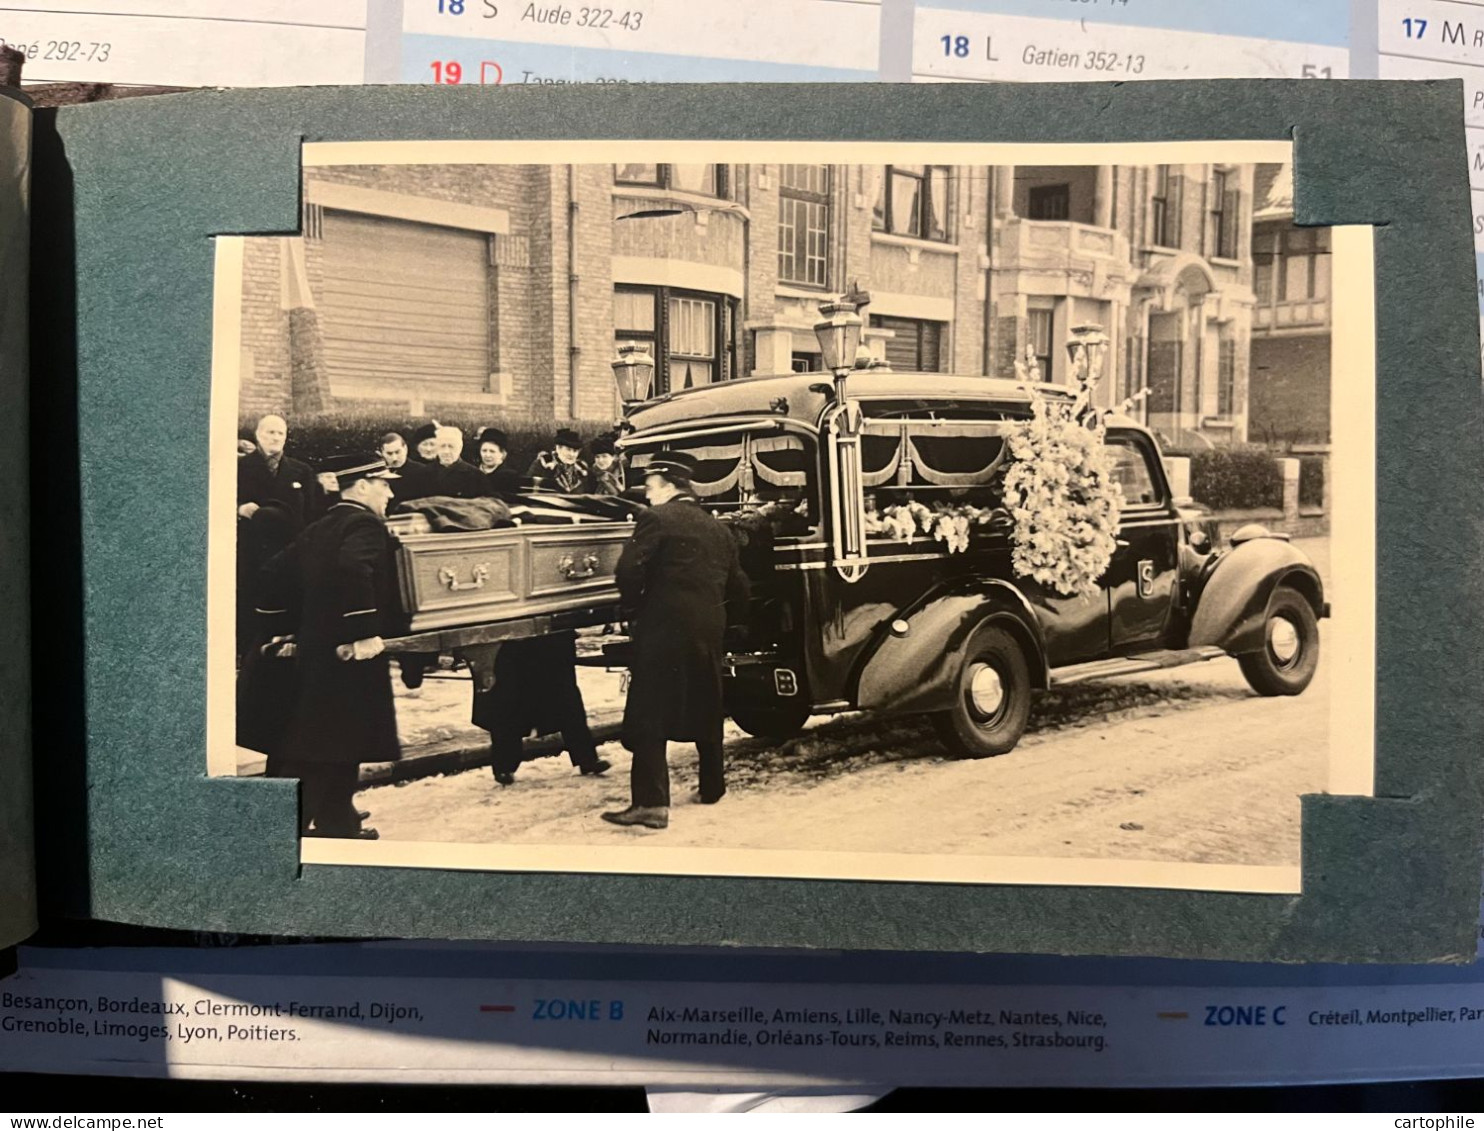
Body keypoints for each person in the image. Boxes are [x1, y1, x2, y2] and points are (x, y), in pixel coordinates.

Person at [256, 453, 404, 840]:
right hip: (348, 656)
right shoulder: (365, 525)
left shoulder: (320, 526)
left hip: (317, 653)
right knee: (323, 748)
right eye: (384, 483)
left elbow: (274, 571)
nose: (390, 492)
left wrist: (283, 628)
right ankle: (280, 838)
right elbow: (353, 568)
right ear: (361, 486)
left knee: (340, 741)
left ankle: (340, 824)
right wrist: (364, 631)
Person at [602, 451, 749, 831]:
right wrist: (729, 623)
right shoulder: (716, 526)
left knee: (650, 708)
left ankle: (651, 804)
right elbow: (739, 585)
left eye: (651, 487)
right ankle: (713, 786)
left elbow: (628, 569)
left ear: (668, 487)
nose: (648, 495)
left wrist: (634, 608)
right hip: (708, 624)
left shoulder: (656, 518)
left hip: (664, 626)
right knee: (707, 698)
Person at [471, 631, 611, 787]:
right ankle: (504, 766)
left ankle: (587, 759)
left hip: (552, 640)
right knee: (508, 702)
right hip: (514, 641)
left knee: (567, 699)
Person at [236, 414, 317, 659]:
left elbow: (312, 512)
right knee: (250, 597)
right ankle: (247, 653)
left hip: (289, 550)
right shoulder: (239, 467)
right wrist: (238, 508)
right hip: (251, 549)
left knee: (287, 599)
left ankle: (285, 651)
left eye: (280, 433)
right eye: (270, 432)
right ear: (258, 435)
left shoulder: (301, 470)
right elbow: (216, 499)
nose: (275, 437)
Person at [428, 424, 488, 499]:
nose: (446, 451)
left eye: (451, 446)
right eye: (442, 446)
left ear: (460, 448)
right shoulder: (424, 473)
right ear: (436, 448)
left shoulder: (476, 476)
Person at [526, 427, 590, 493]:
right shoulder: (542, 464)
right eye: (568, 449)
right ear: (558, 448)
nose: (572, 454)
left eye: (575, 451)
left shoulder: (582, 469)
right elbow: (529, 490)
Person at [378, 431, 434, 507]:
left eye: (398, 452)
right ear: (382, 453)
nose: (394, 458)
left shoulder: (423, 472)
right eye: (389, 454)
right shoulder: (379, 474)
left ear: (405, 449)